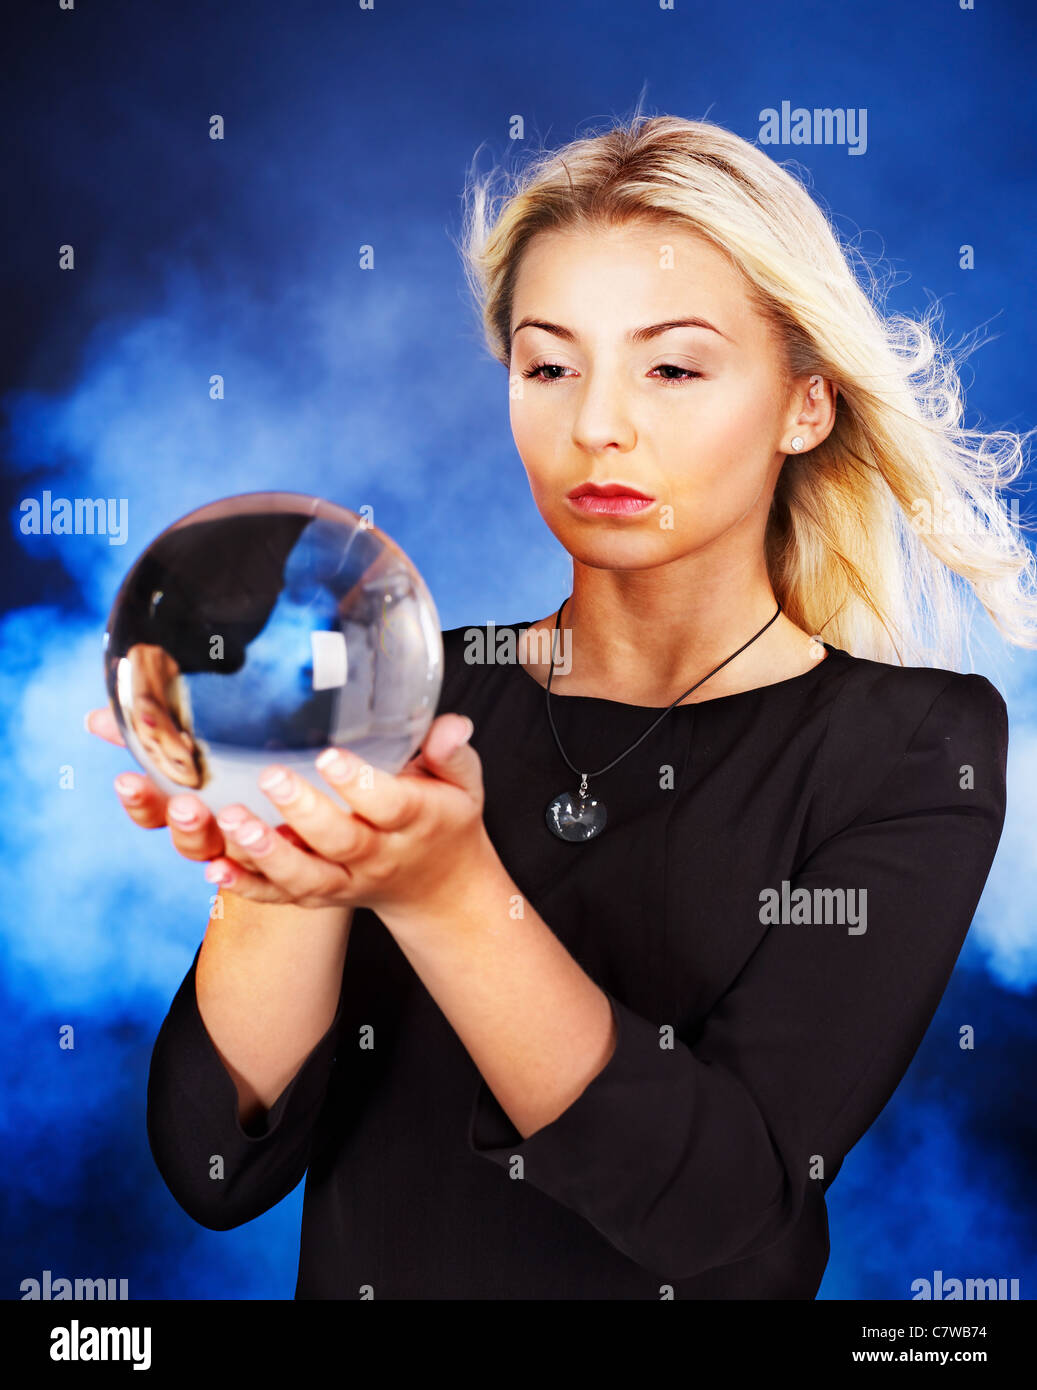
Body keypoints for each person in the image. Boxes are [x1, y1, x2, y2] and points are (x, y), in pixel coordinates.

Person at [86, 112, 1034, 1299]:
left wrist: (445, 893)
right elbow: (215, 1170)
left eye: (672, 366)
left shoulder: (910, 746)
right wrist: (273, 883)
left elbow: (721, 1220)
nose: (595, 423)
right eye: (548, 365)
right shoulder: (399, 685)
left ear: (804, 404)